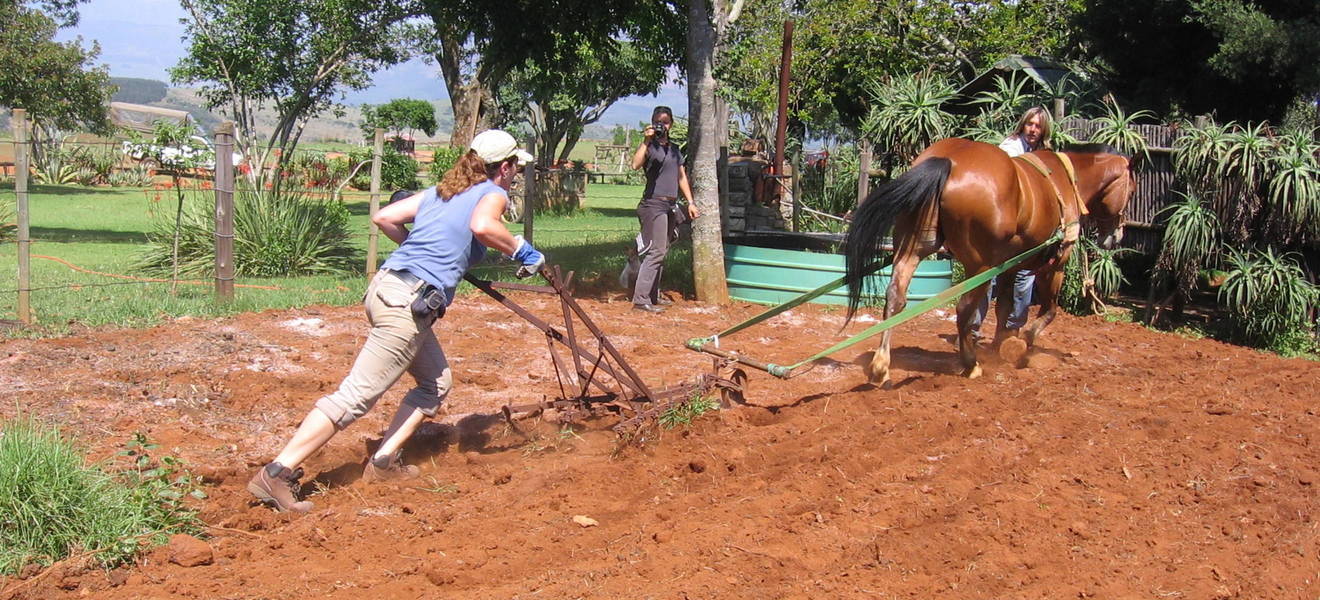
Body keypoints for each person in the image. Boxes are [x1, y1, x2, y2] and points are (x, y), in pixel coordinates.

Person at [247, 129, 544, 513]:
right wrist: (524, 251)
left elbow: (384, 217)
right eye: (515, 166)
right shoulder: (493, 193)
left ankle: (383, 462)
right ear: (504, 167)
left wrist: (420, 250)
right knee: (355, 397)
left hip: (386, 289)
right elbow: (484, 227)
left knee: (436, 383)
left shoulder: (444, 190)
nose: (516, 173)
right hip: (408, 304)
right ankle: (277, 472)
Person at [971, 106, 1053, 339]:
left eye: (1038, 126)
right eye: (1030, 124)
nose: (1033, 130)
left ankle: (1012, 328)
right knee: (986, 275)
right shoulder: (1009, 148)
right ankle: (973, 330)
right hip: (1002, 225)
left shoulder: (1041, 152)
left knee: (1025, 275)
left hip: (1025, 230)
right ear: (1023, 125)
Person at [618, 106, 699, 313]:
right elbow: (635, 164)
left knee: (662, 250)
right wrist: (645, 140)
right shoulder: (650, 147)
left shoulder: (674, 149)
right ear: (653, 123)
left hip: (670, 205)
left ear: (671, 124)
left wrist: (690, 201)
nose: (662, 124)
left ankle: (652, 295)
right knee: (656, 252)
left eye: (665, 121)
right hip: (653, 204)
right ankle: (640, 299)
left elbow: (681, 177)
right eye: (658, 121)